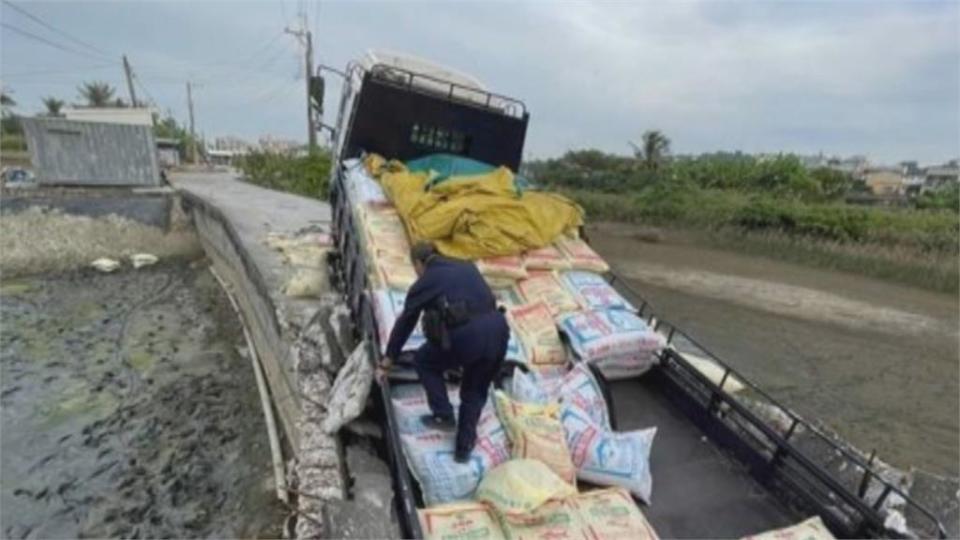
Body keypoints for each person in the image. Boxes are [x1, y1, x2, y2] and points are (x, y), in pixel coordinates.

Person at [378, 242, 510, 463]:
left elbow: (406, 321)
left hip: (469, 336)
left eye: (415, 268)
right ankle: (463, 449)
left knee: (424, 360)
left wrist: (387, 360)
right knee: (475, 390)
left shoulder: (427, 281)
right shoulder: (467, 266)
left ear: (419, 263)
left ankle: (443, 414)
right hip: (499, 331)